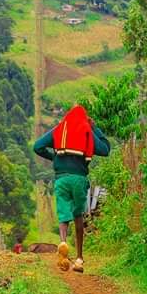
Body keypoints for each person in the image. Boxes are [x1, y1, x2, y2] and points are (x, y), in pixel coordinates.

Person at [32, 105, 110, 273]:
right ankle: (80, 259)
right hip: (79, 179)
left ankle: (63, 244)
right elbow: (105, 149)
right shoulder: (86, 129)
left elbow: (37, 146)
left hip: (61, 179)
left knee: (63, 215)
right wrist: (94, 128)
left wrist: (54, 157)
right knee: (78, 216)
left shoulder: (61, 129)